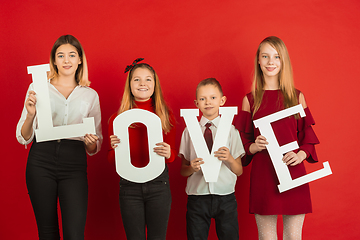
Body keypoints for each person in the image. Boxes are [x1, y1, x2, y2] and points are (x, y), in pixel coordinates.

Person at [16, 35, 102, 240]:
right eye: (61, 55)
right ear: (53, 60)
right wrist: (30, 115)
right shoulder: (37, 88)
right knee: (47, 232)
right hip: (41, 160)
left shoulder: (90, 95)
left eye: (72, 55)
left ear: (80, 60)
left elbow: (94, 144)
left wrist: (91, 144)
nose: (66, 60)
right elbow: (24, 137)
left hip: (73, 163)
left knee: (74, 234)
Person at [237, 36, 320, 240]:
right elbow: (242, 142)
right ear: (258, 60)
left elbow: (307, 134)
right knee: (267, 238)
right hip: (264, 177)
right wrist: (254, 146)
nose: (270, 62)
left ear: (283, 61)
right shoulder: (250, 100)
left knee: (293, 236)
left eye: (276, 57)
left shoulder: (296, 96)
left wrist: (301, 154)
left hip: (293, 174)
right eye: (265, 56)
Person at [107, 58, 176, 240]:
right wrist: (115, 148)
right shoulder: (117, 119)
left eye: (148, 79)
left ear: (155, 85)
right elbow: (110, 159)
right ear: (129, 85)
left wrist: (169, 153)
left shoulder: (165, 116)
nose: (142, 83)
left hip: (158, 185)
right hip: (129, 187)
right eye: (137, 79)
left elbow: (172, 157)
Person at [179, 78, 245, 240]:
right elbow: (183, 170)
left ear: (222, 101)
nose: (208, 102)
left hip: (226, 196)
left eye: (213, 97)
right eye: (202, 99)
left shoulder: (231, 131)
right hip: (197, 197)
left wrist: (229, 158)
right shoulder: (189, 132)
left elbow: (239, 170)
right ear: (196, 103)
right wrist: (191, 168)